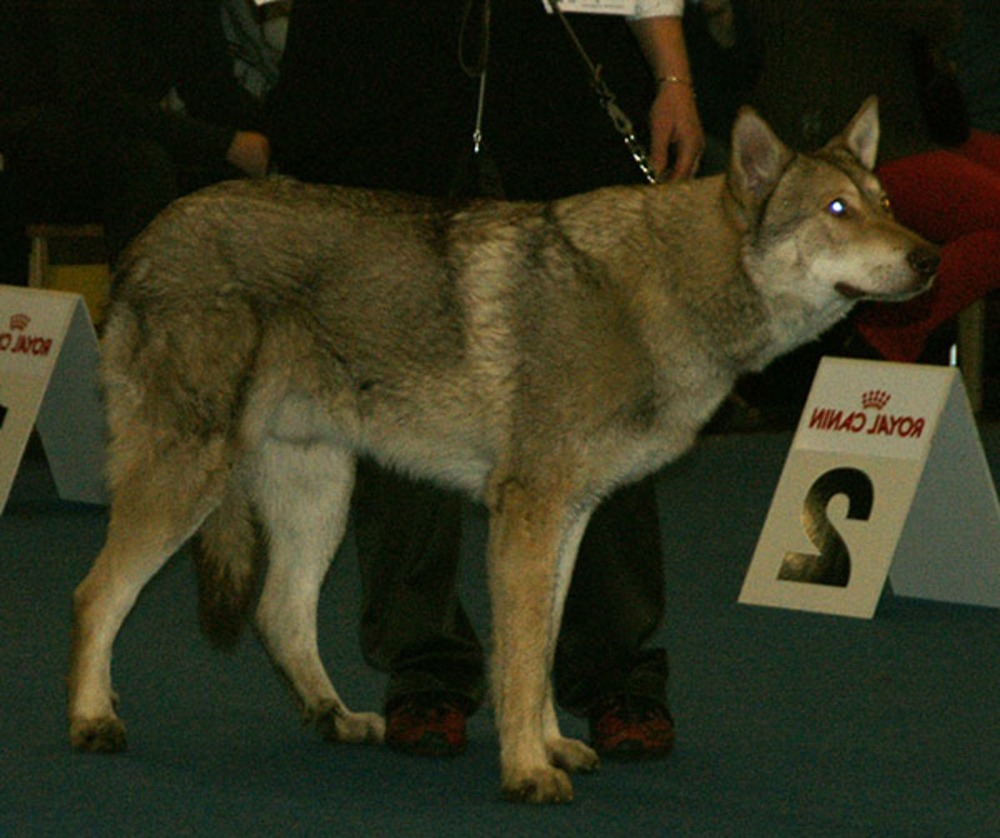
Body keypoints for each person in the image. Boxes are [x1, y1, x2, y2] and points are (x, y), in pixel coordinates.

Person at [269, 0, 705, 759]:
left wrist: (672, 74)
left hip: (559, 70)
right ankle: (425, 664)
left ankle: (615, 672)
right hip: (386, 69)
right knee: (399, 380)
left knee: (606, 381)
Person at [738, 0, 1000, 367]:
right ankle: (885, 331)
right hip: (836, 135)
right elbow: (939, 16)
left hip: (899, 123)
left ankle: (892, 326)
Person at [0, 0, 271, 272]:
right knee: (143, 167)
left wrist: (281, 138)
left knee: (223, 180)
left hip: (126, 138)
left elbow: (211, 92)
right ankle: (141, 304)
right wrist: (226, 144)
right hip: (41, 146)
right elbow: (95, 101)